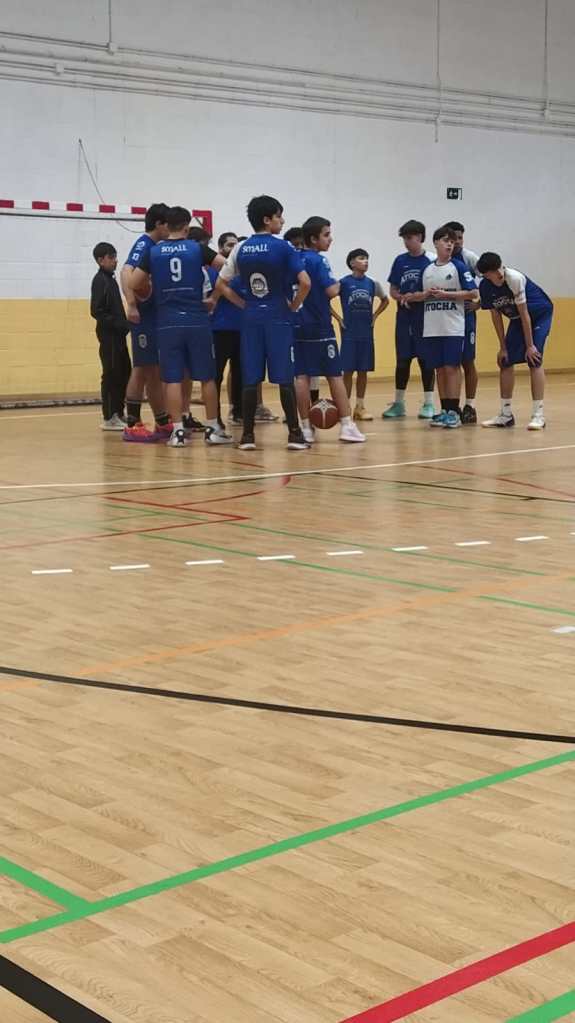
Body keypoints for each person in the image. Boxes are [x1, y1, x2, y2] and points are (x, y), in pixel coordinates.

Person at [214, 194, 310, 451]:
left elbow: (221, 284)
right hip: (278, 316)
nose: (282, 220)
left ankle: (247, 436)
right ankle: (294, 434)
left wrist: (243, 304)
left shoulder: (240, 248)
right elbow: (305, 283)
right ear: (267, 220)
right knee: (285, 377)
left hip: (251, 318)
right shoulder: (284, 247)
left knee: (250, 378)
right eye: (279, 216)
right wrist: (293, 305)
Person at [130, 206, 230, 447]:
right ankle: (213, 429)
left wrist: (153, 285)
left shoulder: (154, 252)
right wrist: (214, 297)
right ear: (186, 226)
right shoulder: (197, 249)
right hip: (196, 319)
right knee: (206, 377)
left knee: (172, 378)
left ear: (167, 225)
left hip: (167, 322)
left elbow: (134, 282)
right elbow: (227, 268)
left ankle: (177, 432)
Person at [295, 217, 366, 444]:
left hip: (297, 324)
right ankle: (347, 425)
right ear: (313, 239)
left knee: (301, 376)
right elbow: (331, 290)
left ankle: (306, 428)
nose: (330, 239)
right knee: (334, 374)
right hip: (320, 326)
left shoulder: (293, 259)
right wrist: (342, 283)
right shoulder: (319, 260)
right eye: (326, 235)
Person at [404, 225, 478, 429]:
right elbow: (415, 295)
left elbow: (473, 293)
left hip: (452, 327)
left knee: (451, 367)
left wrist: (447, 295)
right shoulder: (427, 270)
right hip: (432, 327)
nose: (449, 244)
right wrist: (424, 295)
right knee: (439, 369)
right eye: (446, 240)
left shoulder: (458, 267)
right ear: (436, 242)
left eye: (452, 242)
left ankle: (454, 411)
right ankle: (445, 410)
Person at [477, 252, 553, 431]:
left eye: (499, 269)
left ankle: (538, 415)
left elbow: (525, 313)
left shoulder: (514, 279)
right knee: (505, 361)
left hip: (539, 314)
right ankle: (505, 415)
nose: (499, 274)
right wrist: (503, 347)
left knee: (534, 359)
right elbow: (496, 316)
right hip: (518, 319)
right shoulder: (485, 287)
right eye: (493, 272)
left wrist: (530, 346)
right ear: (486, 275)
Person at [121, 203, 172, 442]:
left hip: (153, 317)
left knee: (154, 370)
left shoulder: (154, 247)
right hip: (143, 318)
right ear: (159, 224)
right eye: (168, 225)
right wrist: (132, 304)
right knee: (141, 369)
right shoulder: (144, 245)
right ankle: (132, 424)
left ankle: (162, 421)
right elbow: (126, 272)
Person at [384, 220, 436, 419]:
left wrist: (416, 297)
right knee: (402, 361)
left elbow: (433, 291)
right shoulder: (400, 261)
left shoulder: (431, 261)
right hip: (404, 318)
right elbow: (393, 289)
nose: (406, 242)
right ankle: (399, 404)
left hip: (425, 318)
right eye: (404, 238)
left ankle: (429, 403)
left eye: (410, 238)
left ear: (420, 237)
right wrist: (401, 297)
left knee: (426, 361)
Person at [333, 247, 388, 421]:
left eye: (366, 258)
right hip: (349, 332)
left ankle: (360, 406)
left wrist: (375, 315)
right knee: (348, 371)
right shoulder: (343, 283)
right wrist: (338, 318)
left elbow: (385, 300)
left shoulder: (372, 283)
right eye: (361, 258)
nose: (366, 261)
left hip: (366, 332)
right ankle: (345, 407)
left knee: (363, 371)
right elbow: (325, 300)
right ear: (352, 263)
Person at [90, 242, 131, 430]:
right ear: (101, 260)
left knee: (124, 372)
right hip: (109, 336)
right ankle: (109, 416)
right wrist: (117, 324)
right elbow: (96, 310)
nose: (115, 261)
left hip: (119, 335)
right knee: (111, 374)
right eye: (111, 257)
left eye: (115, 257)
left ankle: (119, 412)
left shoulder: (110, 279)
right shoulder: (100, 281)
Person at [445, 221, 479, 424]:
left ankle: (470, 406)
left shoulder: (469, 258)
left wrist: (479, 304)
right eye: (453, 238)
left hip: (466, 318)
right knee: (449, 363)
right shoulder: (440, 260)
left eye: (460, 238)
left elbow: (490, 278)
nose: (457, 242)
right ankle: (451, 406)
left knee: (468, 361)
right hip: (447, 318)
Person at [208, 231, 244, 426]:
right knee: (216, 374)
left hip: (241, 329)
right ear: (220, 248)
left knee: (240, 372)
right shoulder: (214, 271)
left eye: (235, 245)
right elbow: (214, 293)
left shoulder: (240, 270)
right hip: (219, 329)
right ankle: (215, 417)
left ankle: (238, 411)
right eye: (230, 245)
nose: (233, 248)